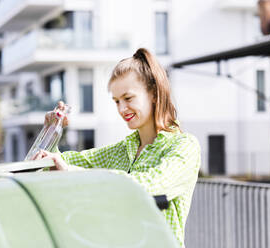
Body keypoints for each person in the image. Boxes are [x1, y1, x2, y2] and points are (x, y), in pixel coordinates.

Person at [33, 48, 201, 247]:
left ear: (154, 93)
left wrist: (71, 172)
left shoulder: (184, 146)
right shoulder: (123, 149)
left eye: (128, 99)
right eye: (116, 101)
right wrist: (51, 132)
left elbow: (148, 186)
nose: (122, 109)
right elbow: (53, 163)